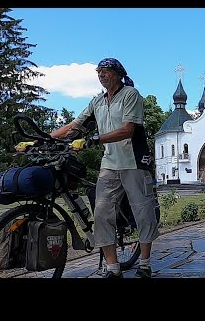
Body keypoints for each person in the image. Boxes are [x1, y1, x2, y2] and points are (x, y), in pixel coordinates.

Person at [51, 58, 159, 278]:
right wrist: (44, 139)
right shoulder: (97, 102)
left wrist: (94, 140)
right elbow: (74, 126)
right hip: (110, 163)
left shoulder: (131, 95)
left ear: (118, 74)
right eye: (98, 71)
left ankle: (145, 263)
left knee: (143, 212)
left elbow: (127, 130)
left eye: (106, 71)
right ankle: (113, 268)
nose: (101, 75)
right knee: (101, 212)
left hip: (134, 162)